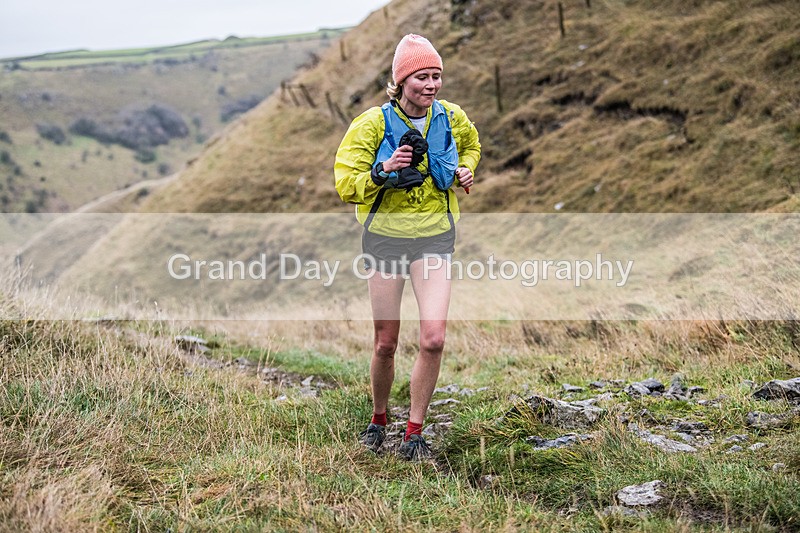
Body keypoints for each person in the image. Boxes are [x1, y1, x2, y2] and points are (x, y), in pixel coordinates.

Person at [334, 34, 480, 460]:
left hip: (435, 236)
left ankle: (414, 432)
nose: (431, 84)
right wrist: (382, 170)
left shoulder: (451, 116)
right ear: (400, 82)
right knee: (386, 342)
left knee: (433, 338)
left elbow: (471, 146)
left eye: (436, 75)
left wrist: (465, 168)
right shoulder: (371, 124)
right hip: (385, 240)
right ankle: (379, 419)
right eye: (421, 77)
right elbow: (345, 184)